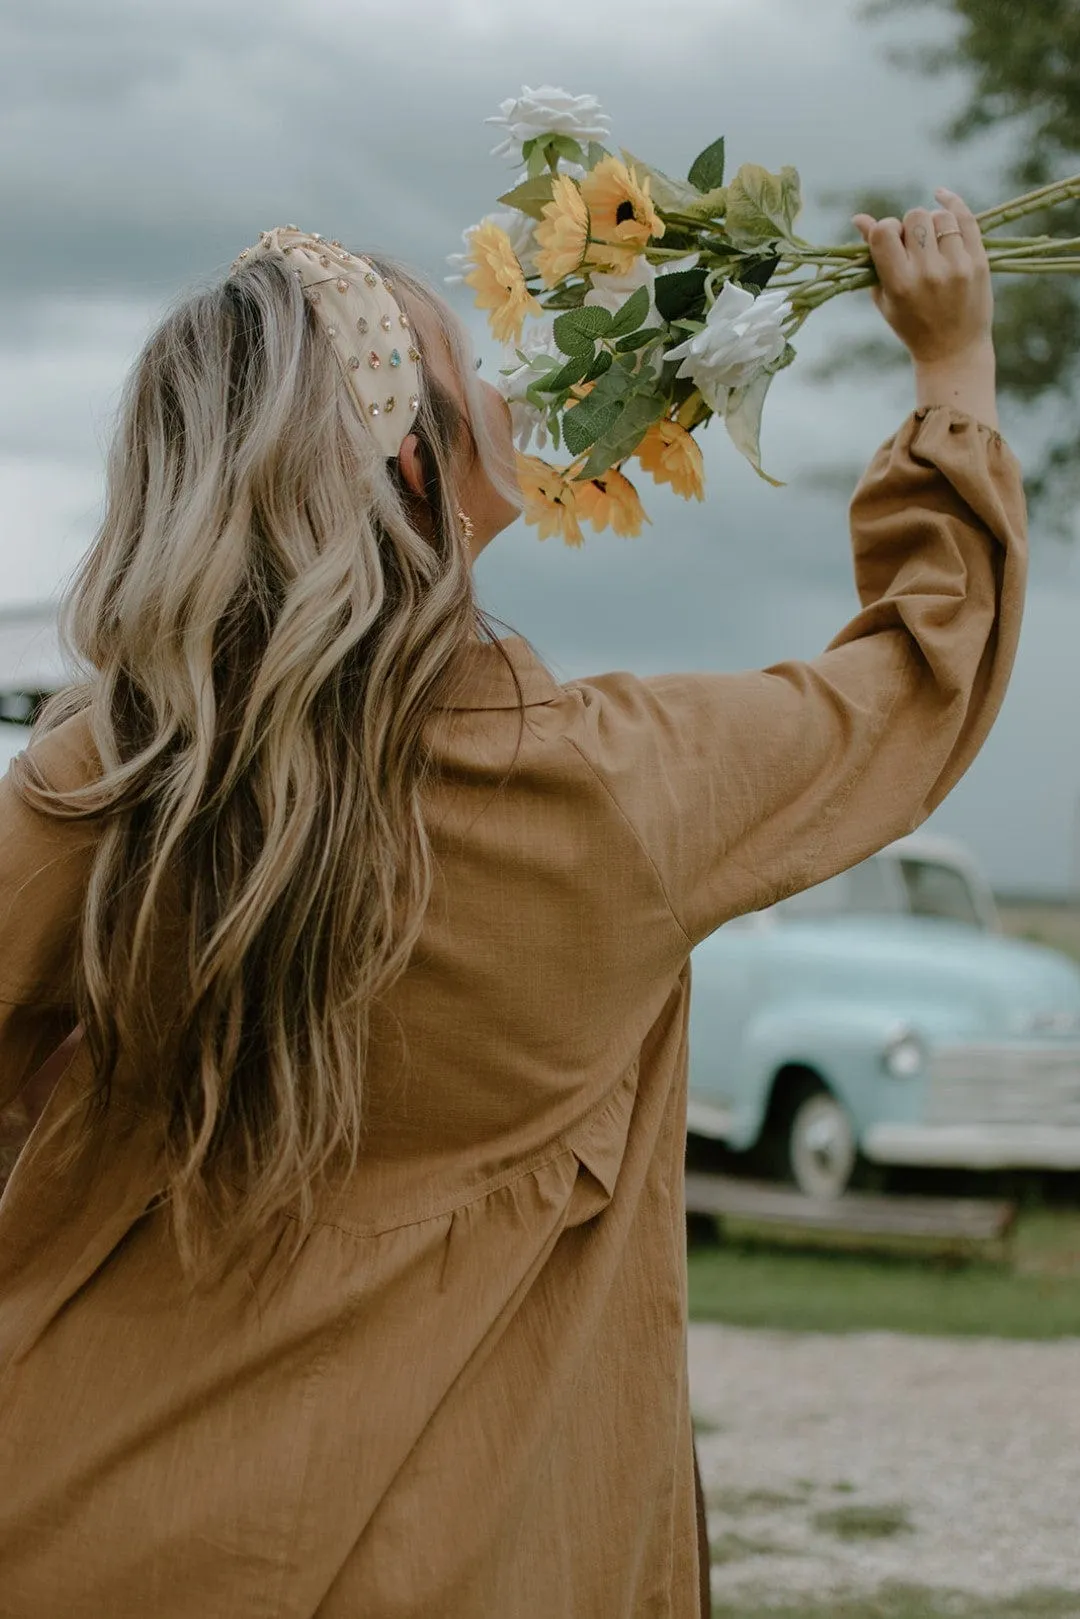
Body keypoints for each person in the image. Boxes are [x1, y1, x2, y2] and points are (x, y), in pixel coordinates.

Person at [0, 190, 1023, 1617]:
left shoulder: (108, 776)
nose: (511, 380)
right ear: (418, 464)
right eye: (463, 354)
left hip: (85, 1516)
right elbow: (918, 677)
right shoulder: (620, 795)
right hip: (470, 1558)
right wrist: (952, 370)